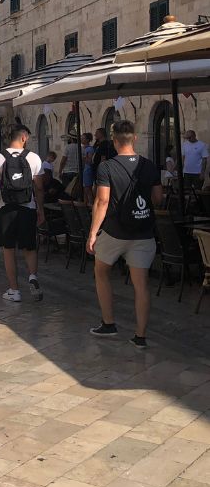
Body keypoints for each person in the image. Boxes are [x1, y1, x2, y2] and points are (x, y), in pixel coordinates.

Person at [87, 120, 163, 349]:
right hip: (143, 232)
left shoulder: (107, 167)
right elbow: (158, 199)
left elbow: (102, 201)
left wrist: (92, 233)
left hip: (115, 232)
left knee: (101, 272)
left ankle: (109, 322)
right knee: (141, 284)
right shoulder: (150, 166)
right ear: (135, 138)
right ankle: (140, 336)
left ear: (114, 140)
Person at [0, 124, 46, 303]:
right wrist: (40, 210)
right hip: (28, 207)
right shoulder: (34, 158)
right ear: (24, 137)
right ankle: (33, 277)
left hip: (5, 209)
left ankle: (14, 290)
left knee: (9, 250)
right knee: (29, 247)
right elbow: (39, 187)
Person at [81, 133, 96, 204]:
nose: (81, 139)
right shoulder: (84, 149)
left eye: (83, 138)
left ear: (87, 140)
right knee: (85, 190)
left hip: (88, 170)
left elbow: (89, 161)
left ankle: (91, 205)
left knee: (88, 189)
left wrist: (84, 157)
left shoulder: (89, 149)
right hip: (85, 170)